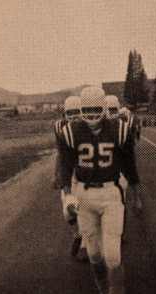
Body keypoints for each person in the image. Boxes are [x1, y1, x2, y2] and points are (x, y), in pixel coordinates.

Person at [59, 86, 142, 294]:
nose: (93, 114)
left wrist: (136, 195)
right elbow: (66, 167)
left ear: (104, 108)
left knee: (113, 256)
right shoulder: (70, 131)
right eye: (89, 109)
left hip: (111, 193)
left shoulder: (119, 128)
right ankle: (103, 290)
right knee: (94, 255)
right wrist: (67, 194)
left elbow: (129, 165)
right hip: (84, 196)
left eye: (97, 108)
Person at [53, 96, 89, 263]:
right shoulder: (60, 127)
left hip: (84, 173)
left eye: (77, 112)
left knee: (84, 207)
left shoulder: (87, 126)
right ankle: (77, 234)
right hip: (68, 173)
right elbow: (60, 154)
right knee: (68, 212)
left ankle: (84, 243)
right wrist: (56, 174)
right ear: (65, 114)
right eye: (71, 113)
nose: (74, 116)